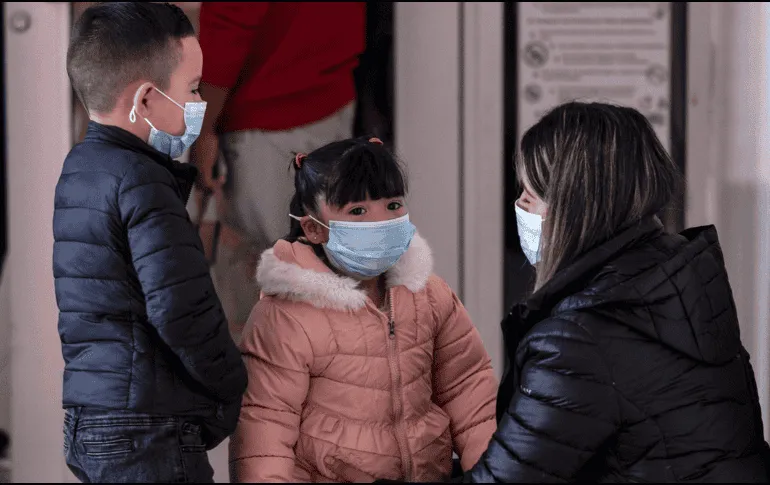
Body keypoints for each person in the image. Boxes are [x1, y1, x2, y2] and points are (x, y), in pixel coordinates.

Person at [462, 102, 770, 482]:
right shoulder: (681, 289)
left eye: (533, 192)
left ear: (577, 206)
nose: (520, 203)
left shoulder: (578, 339)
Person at [228, 137, 499, 482]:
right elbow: (264, 434)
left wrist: (493, 475)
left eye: (393, 205)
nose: (380, 221)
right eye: (358, 211)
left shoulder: (429, 296)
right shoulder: (285, 318)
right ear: (314, 229)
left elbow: (469, 393)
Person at [54, 3, 247, 482]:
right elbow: (181, 308)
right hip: (147, 427)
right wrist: (233, 382)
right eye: (193, 89)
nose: (199, 102)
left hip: (92, 417)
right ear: (145, 99)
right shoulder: (142, 179)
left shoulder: (81, 168)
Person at [190, 2, 366, 342]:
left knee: (274, 303)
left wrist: (204, 127)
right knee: (320, 283)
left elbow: (232, 18)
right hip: (328, 92)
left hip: (268, 113)